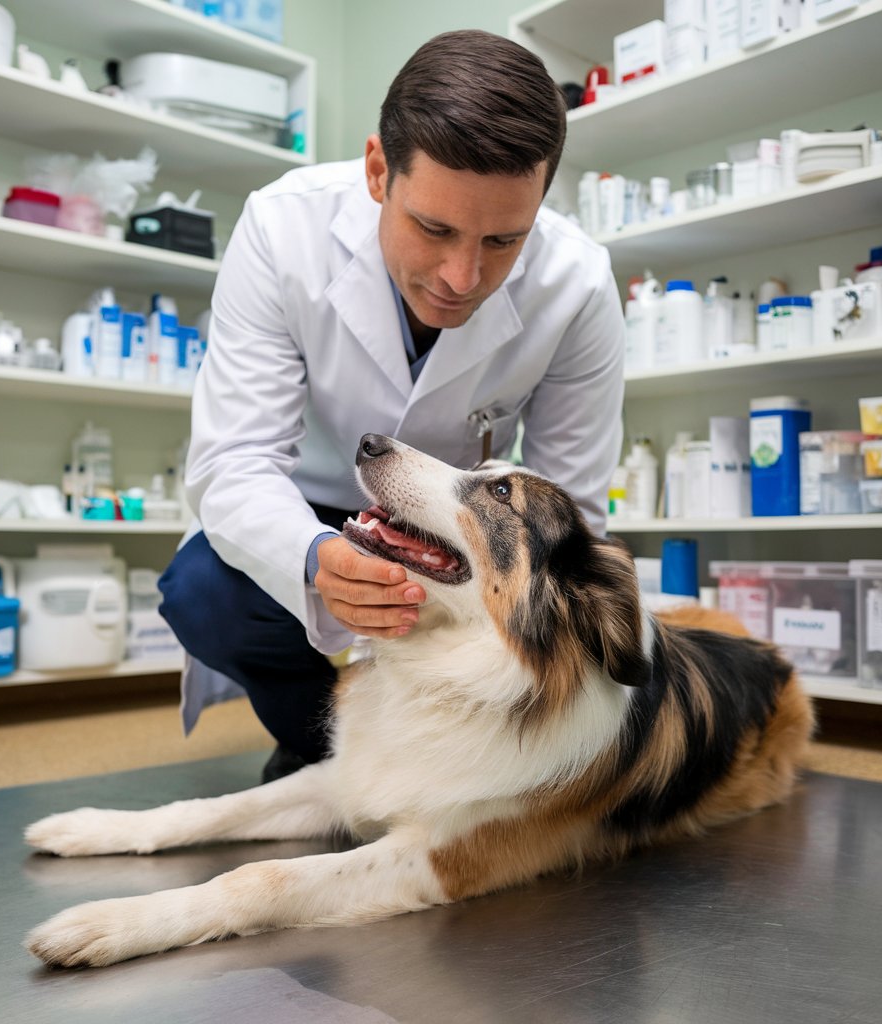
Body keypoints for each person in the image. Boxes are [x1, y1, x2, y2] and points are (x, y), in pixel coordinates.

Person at [158, 29, 626, 781]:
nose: (462, 276)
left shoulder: (578, 283)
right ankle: (320, 746)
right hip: (307, 507)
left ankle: (445, 758)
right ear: (379, 169)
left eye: (504, 239)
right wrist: (317, 560)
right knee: (204, 594)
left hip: (455, 530)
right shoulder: (283, 228)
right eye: (434, 228)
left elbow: (571, 519)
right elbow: (235, 462)